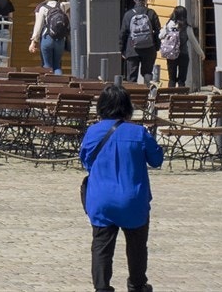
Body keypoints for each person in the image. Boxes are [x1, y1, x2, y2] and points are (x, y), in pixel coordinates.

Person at [81, 84, 163, 292]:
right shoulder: (138, 132)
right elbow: (156, 160)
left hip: (101, 198)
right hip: (132, 198)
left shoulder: (92, 132)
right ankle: (137, 284)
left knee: (101, 246)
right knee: (136, 245)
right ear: (128, 107)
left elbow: (86, 162)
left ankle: (102, 287)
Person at [119, 0, 161, 83]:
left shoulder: (128, 15)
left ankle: (133, 95)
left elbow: (123, 33)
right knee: (147, 73)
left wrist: (122, 49)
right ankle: (148, 93)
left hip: (132, 48)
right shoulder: (151, 13)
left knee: (132, 76)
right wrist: (157, 46)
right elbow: (158, 31)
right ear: (145, 0)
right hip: (149, 48)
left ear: (134, 0)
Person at [28, 0, 70, 73]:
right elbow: (76, 2)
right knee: (57, 66)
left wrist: (33, 42)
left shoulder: (43, 8)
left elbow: (38, 26)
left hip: (47, 38)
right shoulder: (62, 5)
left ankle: (48, 85)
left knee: (47, 66)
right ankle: (59, 85)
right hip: (60, 39)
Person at [159, 6, 192, 88]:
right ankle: (181, 98)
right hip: (183, 54)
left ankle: (171, 96)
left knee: (172, 79)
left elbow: (160, 36)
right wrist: (201, 54)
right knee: (181, 80)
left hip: (171, 54)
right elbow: (194, 42)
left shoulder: (169, 25)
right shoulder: (187, 28)